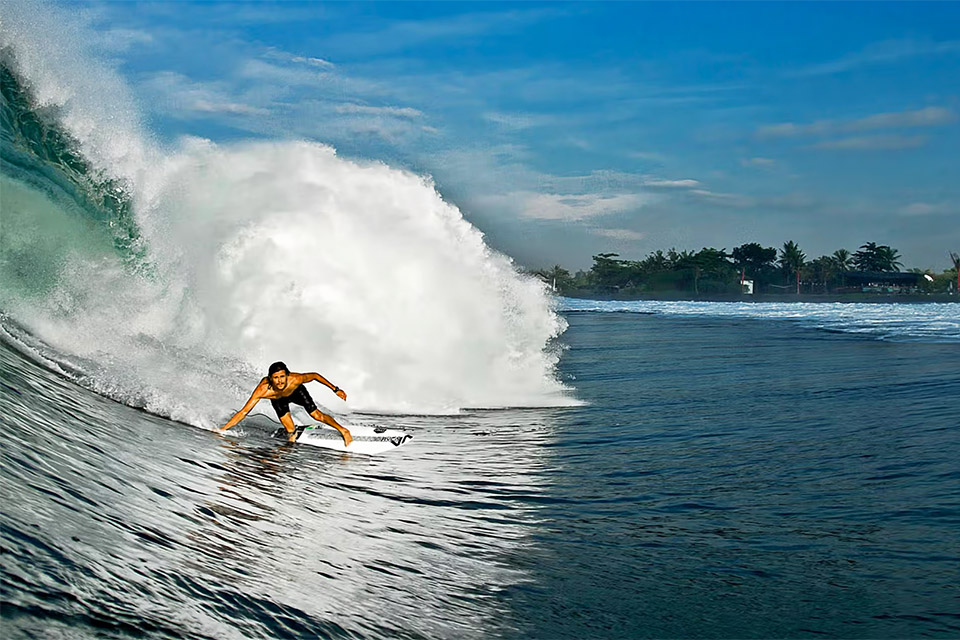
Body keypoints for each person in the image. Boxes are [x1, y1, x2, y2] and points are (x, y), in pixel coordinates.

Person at [218, 361, 353, 446]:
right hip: (277, 399)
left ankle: (343, 430)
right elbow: (243, 412)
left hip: (296, 392)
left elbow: (315, 376)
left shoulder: (295, 379)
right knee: (290, 430)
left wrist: (335, 389)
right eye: (276, 378)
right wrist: (223, 430)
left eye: (282, 376)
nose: (280, 381)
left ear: (287, 375)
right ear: (271, 379)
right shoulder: (263, 390)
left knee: (316, 415)